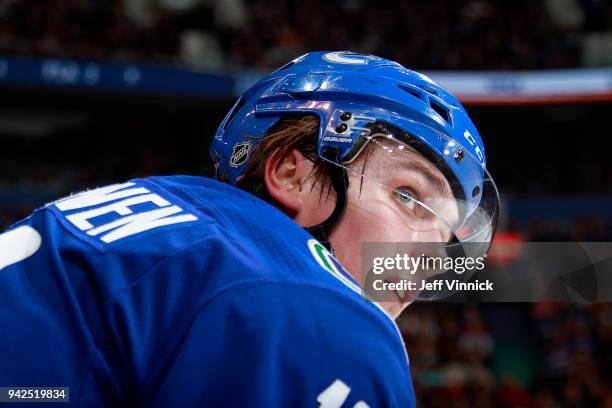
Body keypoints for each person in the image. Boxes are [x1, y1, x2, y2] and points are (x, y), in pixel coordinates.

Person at [0, 51, 498, 407]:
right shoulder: (314, 307)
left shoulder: (171, 213)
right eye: (409, 196)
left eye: (444, 235)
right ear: (290, 173)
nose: (430, 252)